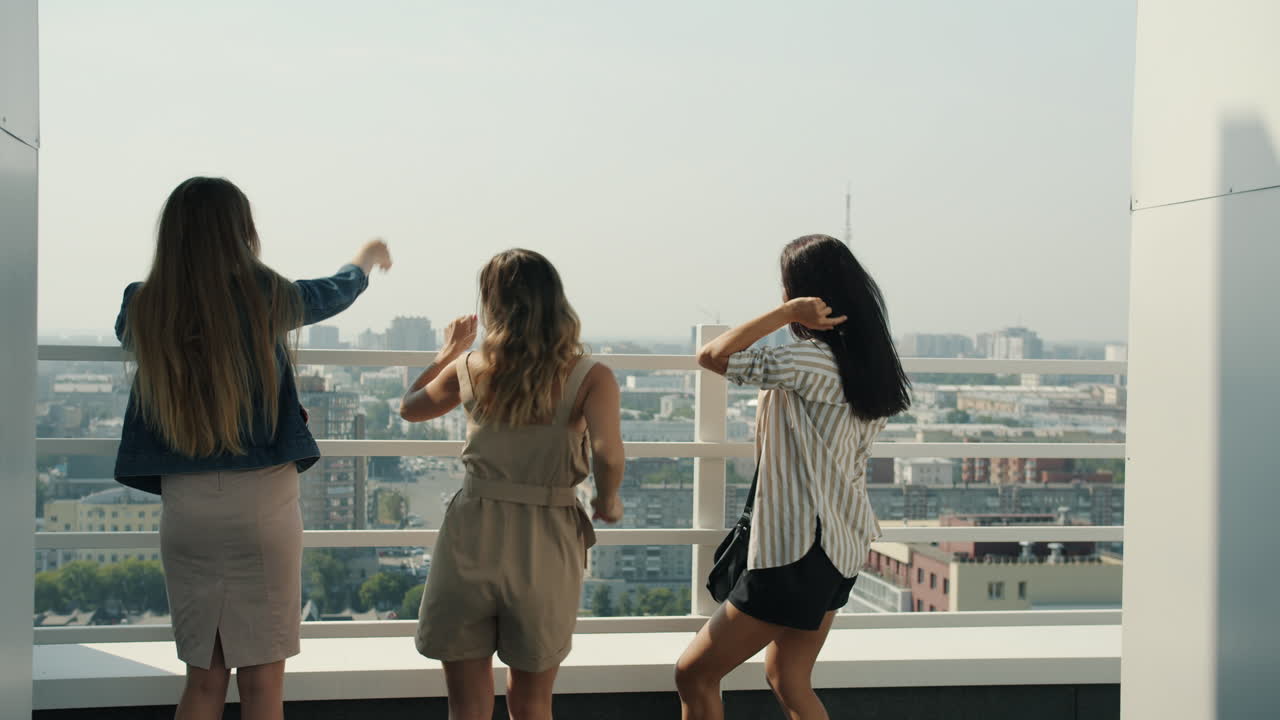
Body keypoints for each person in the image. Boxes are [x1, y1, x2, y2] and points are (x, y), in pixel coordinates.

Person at [113, 176, 392, 720]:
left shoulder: (144, 304)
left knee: (202, 682)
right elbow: (331, 292)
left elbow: (133, 332)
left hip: (187, 507)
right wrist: (364, 257)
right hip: (263, 502)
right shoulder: (266, 295)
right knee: (263, 687)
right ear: (243, 232)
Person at [675, 234, 911, 720]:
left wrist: (786, 316)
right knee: (788, 678)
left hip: (795, 551)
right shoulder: (871, 366)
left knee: (694, 674)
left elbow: (713, 355)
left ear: (806, 295)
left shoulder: (810, 361)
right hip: (839, 547)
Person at [399, 248, 625, 720]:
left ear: (492, 306)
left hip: (472, 531)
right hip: (546, 536)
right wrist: (609, 499)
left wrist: (449, 353)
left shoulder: (471, 368)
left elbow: (410, 407)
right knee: (531, 700)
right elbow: (607, 452)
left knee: (465, 705)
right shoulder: (590, 376)